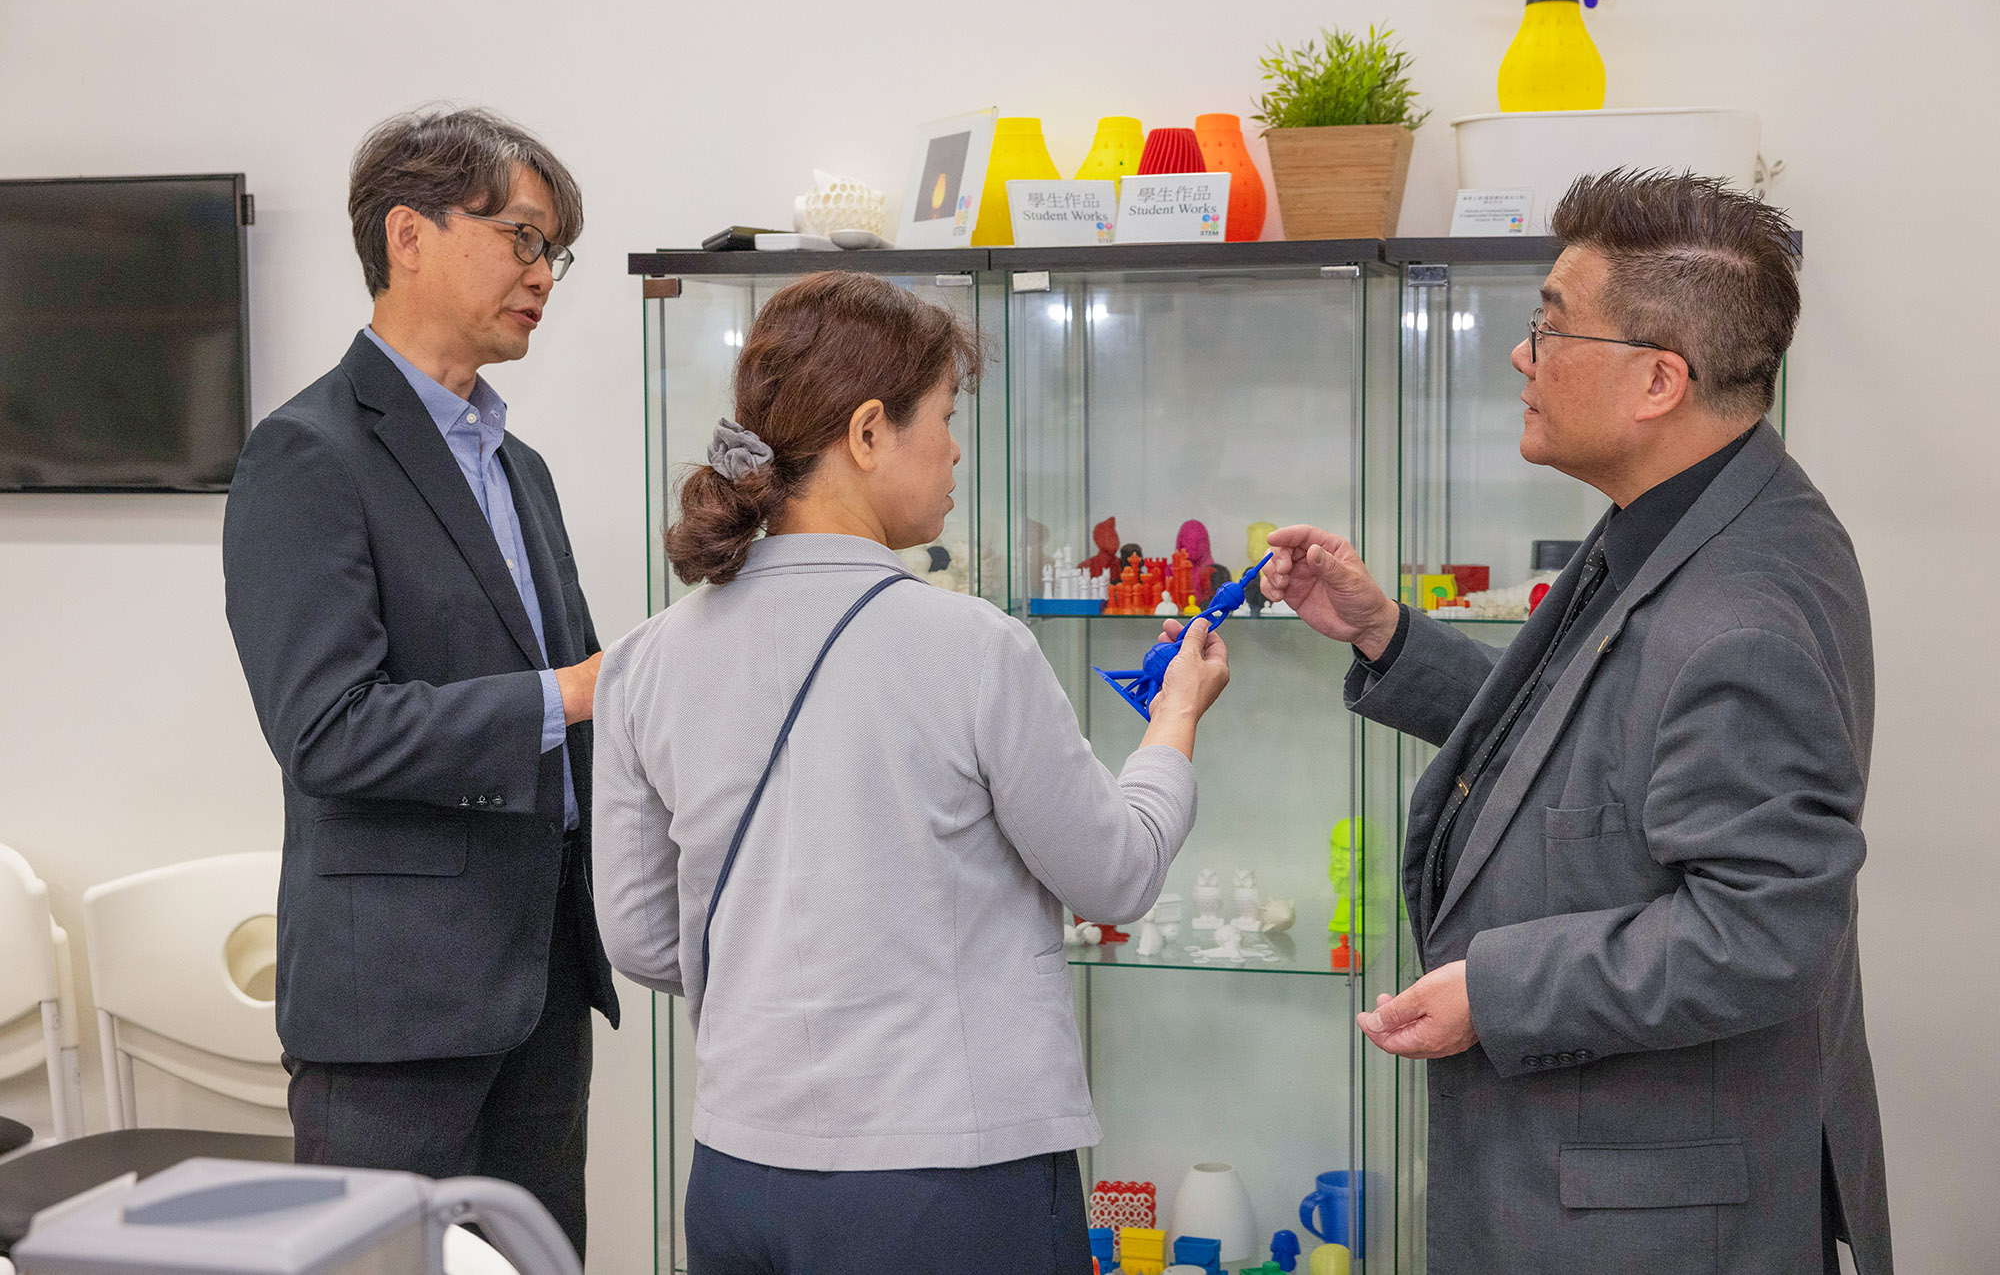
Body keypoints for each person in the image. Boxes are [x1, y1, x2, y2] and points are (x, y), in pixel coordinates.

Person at [1261, 171, 1889, 1274]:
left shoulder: (1744, 610)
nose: (1522, 354)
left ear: (1657, 380)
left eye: (1550, 326)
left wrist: (1493, 990)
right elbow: (1599, 737)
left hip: (1655, 1225)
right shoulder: (1692, 513)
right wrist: (1388, 637)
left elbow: (1762, 932)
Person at [591, 271, 1230, 1274]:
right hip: (944, 1182)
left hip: (734, 1174)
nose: (955, 448)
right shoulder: (972, 647)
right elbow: (1115, 875)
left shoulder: (645, 659)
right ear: (867, 432)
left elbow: (638, 935)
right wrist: (1175, 718)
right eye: (944, 416)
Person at [222, 107, 616, 1259]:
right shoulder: (306, 452)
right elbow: (328, 729)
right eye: (524, 237)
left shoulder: (519, 467)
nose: (542, 274)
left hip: (540, 979)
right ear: (408, 235)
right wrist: (570, 693)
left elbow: (582, 705)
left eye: (554, 253)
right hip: (393, 1012)